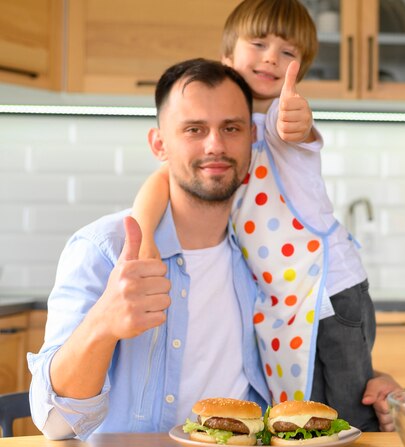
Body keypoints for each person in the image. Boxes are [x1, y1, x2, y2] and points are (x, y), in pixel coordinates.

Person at [131, 0, 401, 432]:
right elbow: (160, 180)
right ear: (227, 57)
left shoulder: (279, 118)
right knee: (306, 420)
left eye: (288, 53)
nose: (272, 57)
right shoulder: (227, 134)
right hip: (285, 301)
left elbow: (296, 127)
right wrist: (143, 245)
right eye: (258, 43)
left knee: (352, 415)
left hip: (330, 290)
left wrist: (299, 119)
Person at [27, 60, 269, 440]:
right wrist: (102, 325)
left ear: (251, 137)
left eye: (231, 128)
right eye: (194, 129)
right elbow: (56, 424)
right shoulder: (105, 250)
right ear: (159, 144)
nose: (216, 145)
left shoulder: (261, 256)